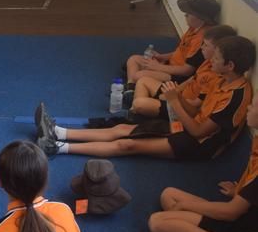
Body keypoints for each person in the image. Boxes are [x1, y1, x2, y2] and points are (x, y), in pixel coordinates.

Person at [38, 36, 255, 161]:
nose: (211, 61)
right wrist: (176, 97)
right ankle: (59, 132)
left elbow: (199, 132)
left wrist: (174, 101)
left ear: (230, 66)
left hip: (199, 145)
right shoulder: (221, 79)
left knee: (127, 145)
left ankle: (56, 147)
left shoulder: (237, 96)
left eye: (216, 58)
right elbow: (197, 112)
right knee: (123, 129)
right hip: (188, 127)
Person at [147, 92, 258, 232]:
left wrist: (186, 205)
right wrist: (240, 190)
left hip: (241, 226)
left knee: (157, 223)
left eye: (254, 106)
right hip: (241, 213)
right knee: (168, 194)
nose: (249, 108)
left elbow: (230, 213)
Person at [124, 0, 220, 96]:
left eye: (189, 13)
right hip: (169, 65)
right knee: (133, 59)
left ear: (201, 18)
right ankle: (131, 89)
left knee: (139, 75)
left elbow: (187, 71)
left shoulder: (202, 40)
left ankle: (139, 88)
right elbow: (181, 51)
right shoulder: (193, 28)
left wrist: (158, 67)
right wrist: (162, 56)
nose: (185, 15)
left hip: (177, 76)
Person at [130, 25, 237, 118]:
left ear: (218, 49)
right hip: (177, 95)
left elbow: (195, 107)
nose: (202, 48)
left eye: (206, 45)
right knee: (142, 81)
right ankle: (134, 113)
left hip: (182, 107)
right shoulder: (207, 62)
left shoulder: (215, 76)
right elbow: (190, 80)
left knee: (140, 103)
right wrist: (174, 92)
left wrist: (173, 98)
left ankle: (141, 113)